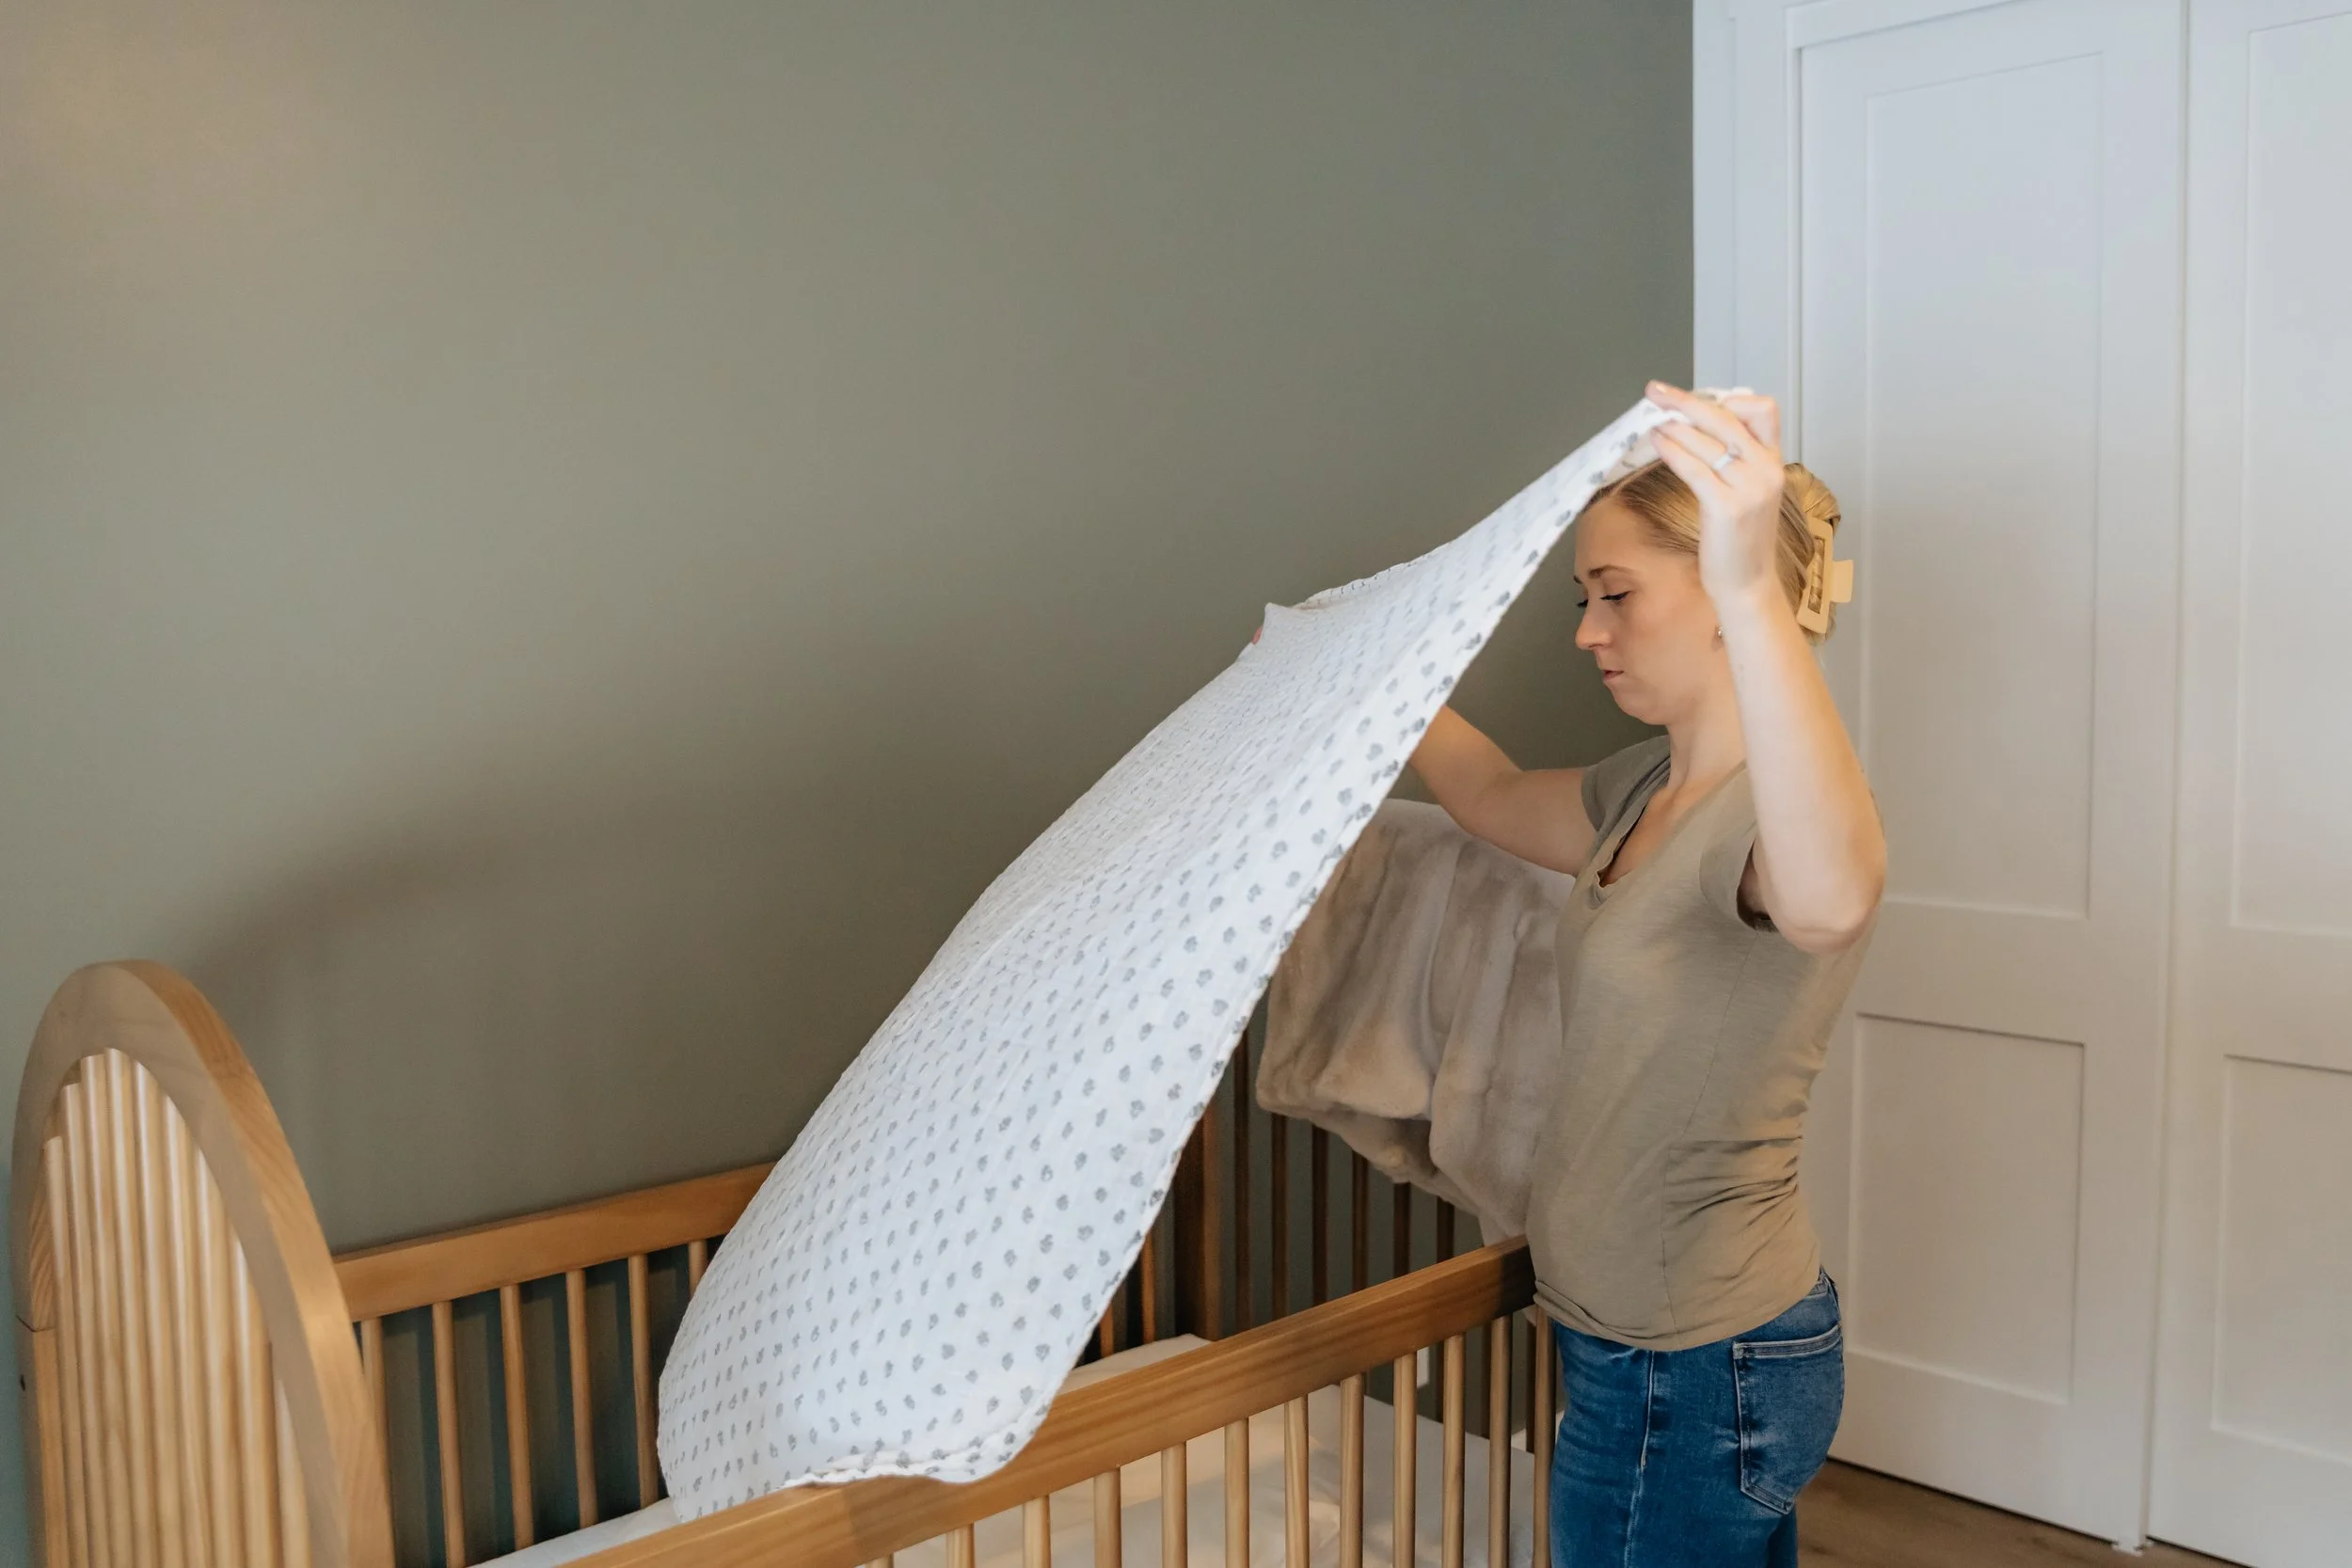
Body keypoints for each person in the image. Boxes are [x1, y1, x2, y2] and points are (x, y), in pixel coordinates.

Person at [1405, 381, 1885, 1566]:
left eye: (1615, 594)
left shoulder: (1771, 816)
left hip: (1695, 1360)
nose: (1586, 630)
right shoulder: (1641, 789)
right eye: (1584, 597)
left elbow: (1828, 901)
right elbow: (1486, 794)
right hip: (1641, 1346)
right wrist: (1360, 676)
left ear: (1726, 591)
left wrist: (1750, 584)